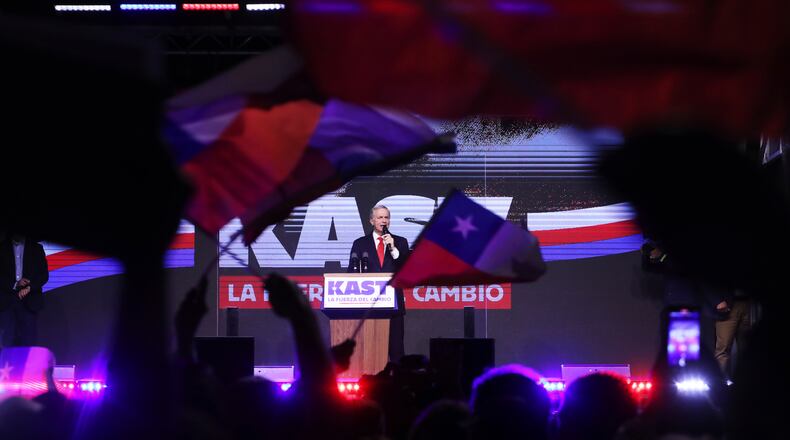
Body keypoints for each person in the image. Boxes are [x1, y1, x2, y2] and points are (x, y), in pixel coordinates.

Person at [348, 205, 410, 361]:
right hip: (368, 305)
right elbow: (351, 273)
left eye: (386, 217)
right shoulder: (360, 244)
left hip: (394, 305)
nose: (384, 221)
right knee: (370, 351)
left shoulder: (400, 242)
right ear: (371, 221)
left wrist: (393, 248)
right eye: (380, 217)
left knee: (396, 351)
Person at [0, 232, 49, 347]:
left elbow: (43, 275)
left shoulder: (36, 248)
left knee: (28, 342)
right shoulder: (2, 248)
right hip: (7, 302)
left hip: (30, 302)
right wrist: (15, 284)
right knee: (7, 341)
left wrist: (29, 287)